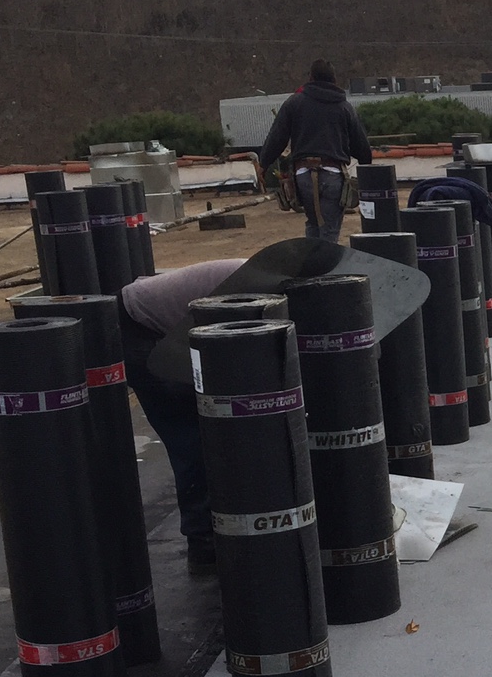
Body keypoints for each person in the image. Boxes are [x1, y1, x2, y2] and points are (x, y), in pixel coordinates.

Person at [117, 259, 244, 571]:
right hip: (137, 328)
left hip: (161, 321)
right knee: (192, 439)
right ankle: (203, 545)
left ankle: (214, 534)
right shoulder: (259, 296)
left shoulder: (273, 280)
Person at [254, 60, 372, 242]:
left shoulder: (294, 103)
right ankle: (325, 268)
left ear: (311, 78)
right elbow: (361, 147)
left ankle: (312, 267)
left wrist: (263, 165)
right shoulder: (344, 107)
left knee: (313, 223)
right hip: (333, 173)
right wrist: (367, 169)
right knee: (330, 230)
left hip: (303, 175)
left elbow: (277, 137)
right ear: (334, 79)